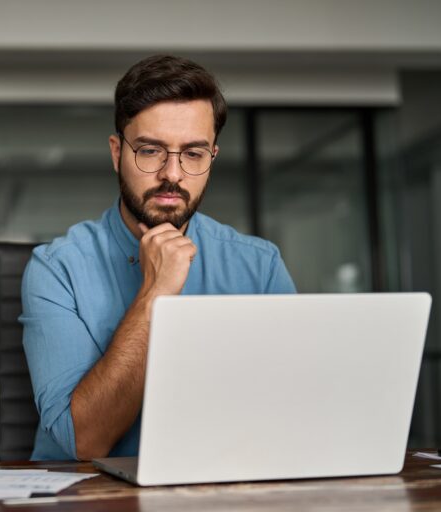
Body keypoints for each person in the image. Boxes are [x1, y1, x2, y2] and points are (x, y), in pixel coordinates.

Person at [20, 55, 296, 461]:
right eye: (150, 151)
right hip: (90, 497)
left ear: (212, 157)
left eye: (194, 154)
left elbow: (296, 412)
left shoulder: (259, 266)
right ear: (117, 153)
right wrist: (155, 293)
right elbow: (85, 441)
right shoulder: (56, 269)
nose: (172, 173)